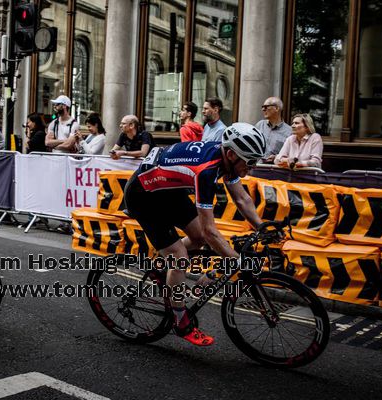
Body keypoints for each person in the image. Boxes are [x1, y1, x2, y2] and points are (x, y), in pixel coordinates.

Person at [124, 122, 265, 346]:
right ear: (231, 153)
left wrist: (262, 226)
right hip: (144, 196)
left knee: (197, 237)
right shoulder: (207, 171)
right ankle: (179, 320)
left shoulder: (227, 161)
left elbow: (242, 199)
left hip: (168, 190)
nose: (253, 167)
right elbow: (212, 232)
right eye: (250, 161)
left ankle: (162, 264)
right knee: (180, 256)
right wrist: (236, 261)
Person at [255, 97, 292, 163]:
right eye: (262, 107)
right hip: (256, 168)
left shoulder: (290, 132)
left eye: (266, 107)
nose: (263, 109)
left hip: (276, 170)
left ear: (277, 108)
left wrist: (276, 157)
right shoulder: (260, 125)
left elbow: (291, 154)